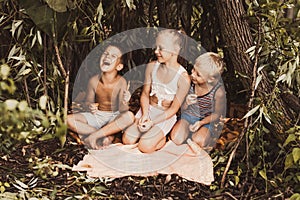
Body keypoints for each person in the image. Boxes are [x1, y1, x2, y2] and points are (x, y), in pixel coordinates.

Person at [122, 29, 191, 153]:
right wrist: (144, 115)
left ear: (175, 49)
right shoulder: (151, 66)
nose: (156, 51)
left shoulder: (183, 78)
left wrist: (153, 122)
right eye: (156, 47)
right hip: (147, 110)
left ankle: (160, 138)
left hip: (164, 116)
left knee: (145, 147)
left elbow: (173, 109)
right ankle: (150, 133)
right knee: (127, 140)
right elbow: (144, 94)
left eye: (161, 48)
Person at [67, 44, 134, 149]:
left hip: (113, 117)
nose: (107, 57)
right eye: (105, 53)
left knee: (129, 116)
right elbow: (88, 102)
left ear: (119, 66)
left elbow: (123, 110)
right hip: (97, 116)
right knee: (67, 119)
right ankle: (102, 134)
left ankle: (97, 136)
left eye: (113, 56)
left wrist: (125, 101)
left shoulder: (122, 82)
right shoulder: (93, 81)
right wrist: (90, 106)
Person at [170, 52, 226, 150]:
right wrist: (186, 103)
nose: (192, 74)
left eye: (198, 74)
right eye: (193, 69)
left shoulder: (218, 92)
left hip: (205, 121)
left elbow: (217, 114)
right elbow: (180, 108)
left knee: (199, 141)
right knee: (175, 138)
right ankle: (186, 135)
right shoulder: (189, 83)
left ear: (210, 79)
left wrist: (201, 123)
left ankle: (197, 136)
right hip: (187, 116)